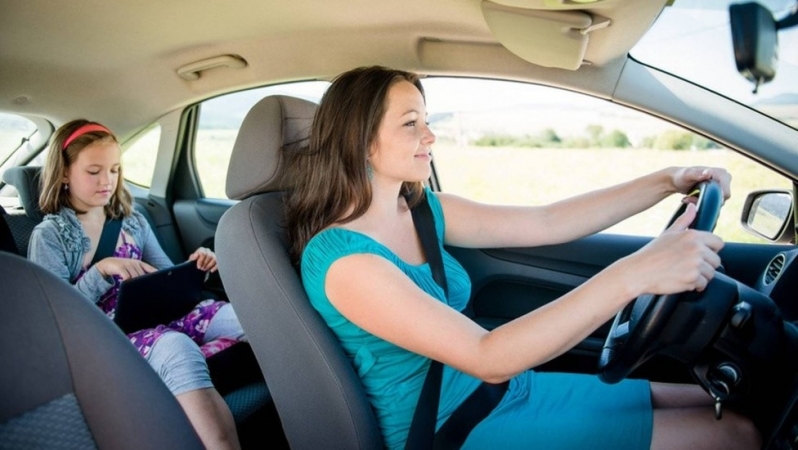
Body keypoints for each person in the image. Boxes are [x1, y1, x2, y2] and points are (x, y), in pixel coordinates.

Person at [285, 66, 761, 449]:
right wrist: (636, 272)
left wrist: (666, 180)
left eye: (427, 121)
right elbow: (485, 355)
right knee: (737, 434)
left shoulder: (422, 210)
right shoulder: (344, 262)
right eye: (411, 124)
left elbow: (547, 222)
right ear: (361, 142)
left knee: (723, 400)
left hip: (509, 390)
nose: (430, 136)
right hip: (449, 428)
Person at [29, 119, 244, 450]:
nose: (108, 181)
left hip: (161, 314)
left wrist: (196, 265)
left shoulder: (132, 220)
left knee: (249, 320)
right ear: (63, 174)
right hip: (108, 334)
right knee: (176, 346)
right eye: (94, 171)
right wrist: (100, 271)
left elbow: (165, 277)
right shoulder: (51, 235)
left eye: (115, 170)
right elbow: (57, 318)